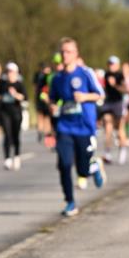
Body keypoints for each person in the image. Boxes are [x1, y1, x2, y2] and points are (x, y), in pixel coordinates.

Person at [49, 37, 103, 217]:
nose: (65, 55)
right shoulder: (57, 78)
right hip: (65, 126)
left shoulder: (85, 73)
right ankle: (70, 201)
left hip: (84, 126)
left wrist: (85, 97)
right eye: (63, 51)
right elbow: (52, 98)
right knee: (64, 164)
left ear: (76, 54)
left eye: (69, 51)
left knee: (82, 170)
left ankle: (93, 166)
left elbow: (99, 94)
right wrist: (53, 105)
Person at [100, 55, 129, 165]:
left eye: (113, 64)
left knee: (120, 128)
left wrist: (115, 85)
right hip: (108, 103)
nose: (111, 66)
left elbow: (124, 89)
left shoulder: (120, 75)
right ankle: (107, 153)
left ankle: (122, 149)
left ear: (117, 65)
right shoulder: (106, 74)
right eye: (109, 63)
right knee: (108, 126)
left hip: (118, 103)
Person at [1, 62, 26, 170]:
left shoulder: (19, 84)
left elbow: (24, 98)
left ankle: (16, 155)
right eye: (8, 72)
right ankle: (7, 158)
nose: (10, 74)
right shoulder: (3, 84)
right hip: (5, 112)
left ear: (16, 73)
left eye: (12, 72)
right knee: (7, 134)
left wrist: (15, 94)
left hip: (16, 112)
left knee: (15, 135)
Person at [33, 61, 53, 143]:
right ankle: (41, 131)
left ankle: (46, 133)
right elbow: (35, 87)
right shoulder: (39, 76)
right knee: (41, 115)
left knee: (47, 117)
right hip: (41, 98)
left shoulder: (50, 76)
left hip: (47, 98)